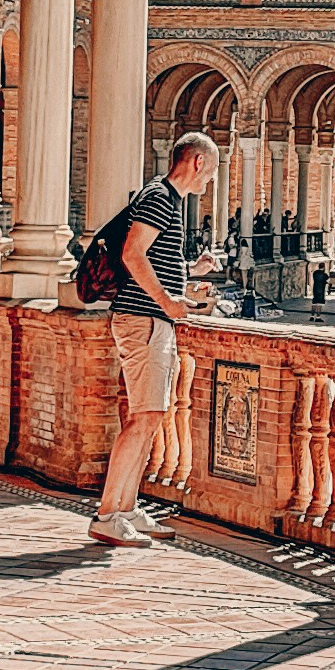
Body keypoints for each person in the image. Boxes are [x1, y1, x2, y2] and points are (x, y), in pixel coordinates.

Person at [90, 133, 217, 547]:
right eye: (211, 171)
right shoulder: (160, 197)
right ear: (197, 162)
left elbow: (152, 257)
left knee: (150, 416)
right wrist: (168, 302)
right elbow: (132, 254)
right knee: (143, 416)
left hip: (151, 319)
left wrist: (189, 276)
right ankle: (108, 513)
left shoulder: (167, 200)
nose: (210, 182)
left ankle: (126, 508)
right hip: (143, 321)